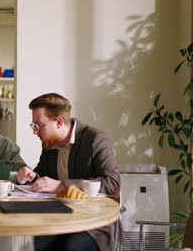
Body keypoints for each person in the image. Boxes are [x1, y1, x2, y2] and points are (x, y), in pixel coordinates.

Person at [16, 93, 122, 251]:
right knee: (30, 244)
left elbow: (112, 182)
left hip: (93, 222)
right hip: (58, 217)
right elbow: (43, 175)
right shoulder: (49, 144)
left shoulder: (95, 139)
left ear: (58, 122)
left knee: (69, 248)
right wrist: (30, 176)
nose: (35, 132)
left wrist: (62, 186)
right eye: (34, 126)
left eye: (39, 125)